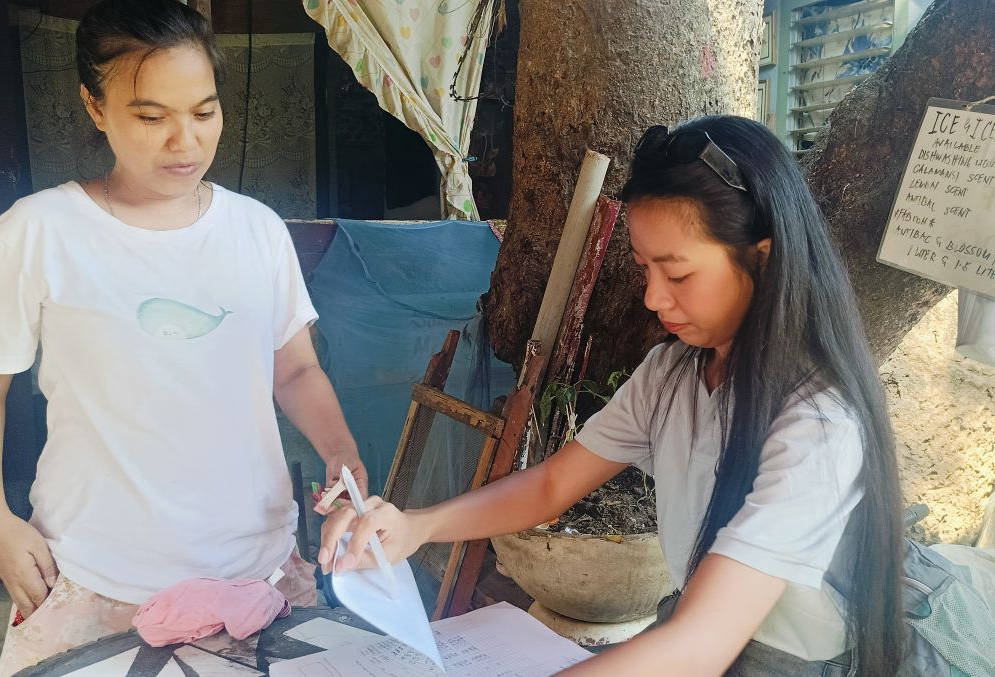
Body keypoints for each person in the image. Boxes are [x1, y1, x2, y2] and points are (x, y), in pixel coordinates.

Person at [320, 115, 906, 676]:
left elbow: (701, 646)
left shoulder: (817, 423)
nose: (653, 298)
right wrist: (417, 526)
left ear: (763, 255)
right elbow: (551, 486)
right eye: (643, 268)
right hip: (693, 634)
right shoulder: (671, 375)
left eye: (677, 275)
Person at [0, 1, 366, 674]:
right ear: (96, 107)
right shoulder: (37, 232)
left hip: (256, 574)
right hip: (95, 574)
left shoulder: (256, 230)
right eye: (151, 117)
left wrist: (341, 450)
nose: (184, 141)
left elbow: (294, 370)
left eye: (204, 112)